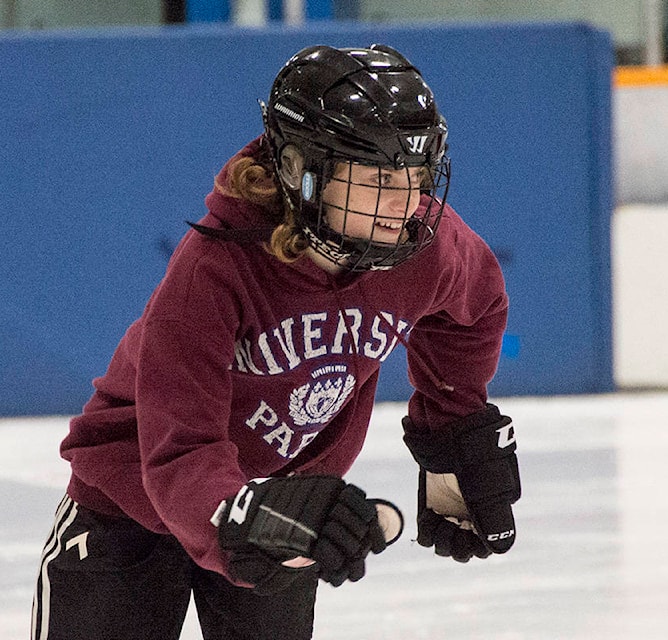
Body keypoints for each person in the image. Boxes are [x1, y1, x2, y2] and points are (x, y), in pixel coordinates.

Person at [31, 44, 521, 640]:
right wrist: (239, 516)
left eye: (417, 176)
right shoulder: (216, 268)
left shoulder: (423, 247)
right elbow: (180, 449)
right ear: (301, 171)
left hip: (284, 509)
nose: (407, 203)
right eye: (380, 177)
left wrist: (451, 425)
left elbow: (476, 306)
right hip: (130, 502)